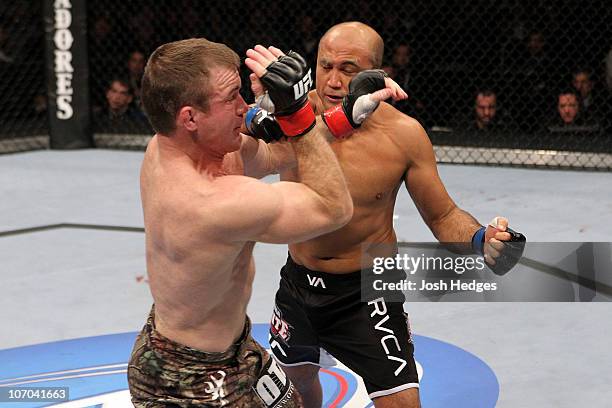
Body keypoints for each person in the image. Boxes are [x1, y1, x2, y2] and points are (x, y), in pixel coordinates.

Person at [126, 38, 400, 407]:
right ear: (189, 117)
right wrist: (297, 112)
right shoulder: (210, 201)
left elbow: (277, 154)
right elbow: (333, 207)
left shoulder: (179, 144)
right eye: (231, 99)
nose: (245, 108)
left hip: (233, 345)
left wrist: (345, 115)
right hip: (187, 381)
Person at [265, 22, 523, 408]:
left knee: (402, 404)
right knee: (297, 387)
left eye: (348, 69)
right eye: (325, 66)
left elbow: (443, 214)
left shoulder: (404, 135)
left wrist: (479, 239)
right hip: (299, 280)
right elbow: (247, 153)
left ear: (376, 76)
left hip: (369, 287)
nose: (333, 80)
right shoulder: (294, 119)